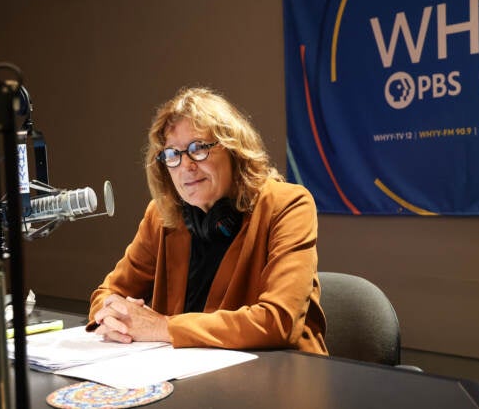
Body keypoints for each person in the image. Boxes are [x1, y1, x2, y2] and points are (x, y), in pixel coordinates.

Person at [87, 87, 327, 355]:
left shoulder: (287, 205)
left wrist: (163, 327)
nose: (186, 166)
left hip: (278, 375)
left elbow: (278, 320)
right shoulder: (162, 215)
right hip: (188, 373)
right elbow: (107, 293)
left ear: (234, 150)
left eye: (198, 148)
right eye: (172, 154)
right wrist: (112, 318)